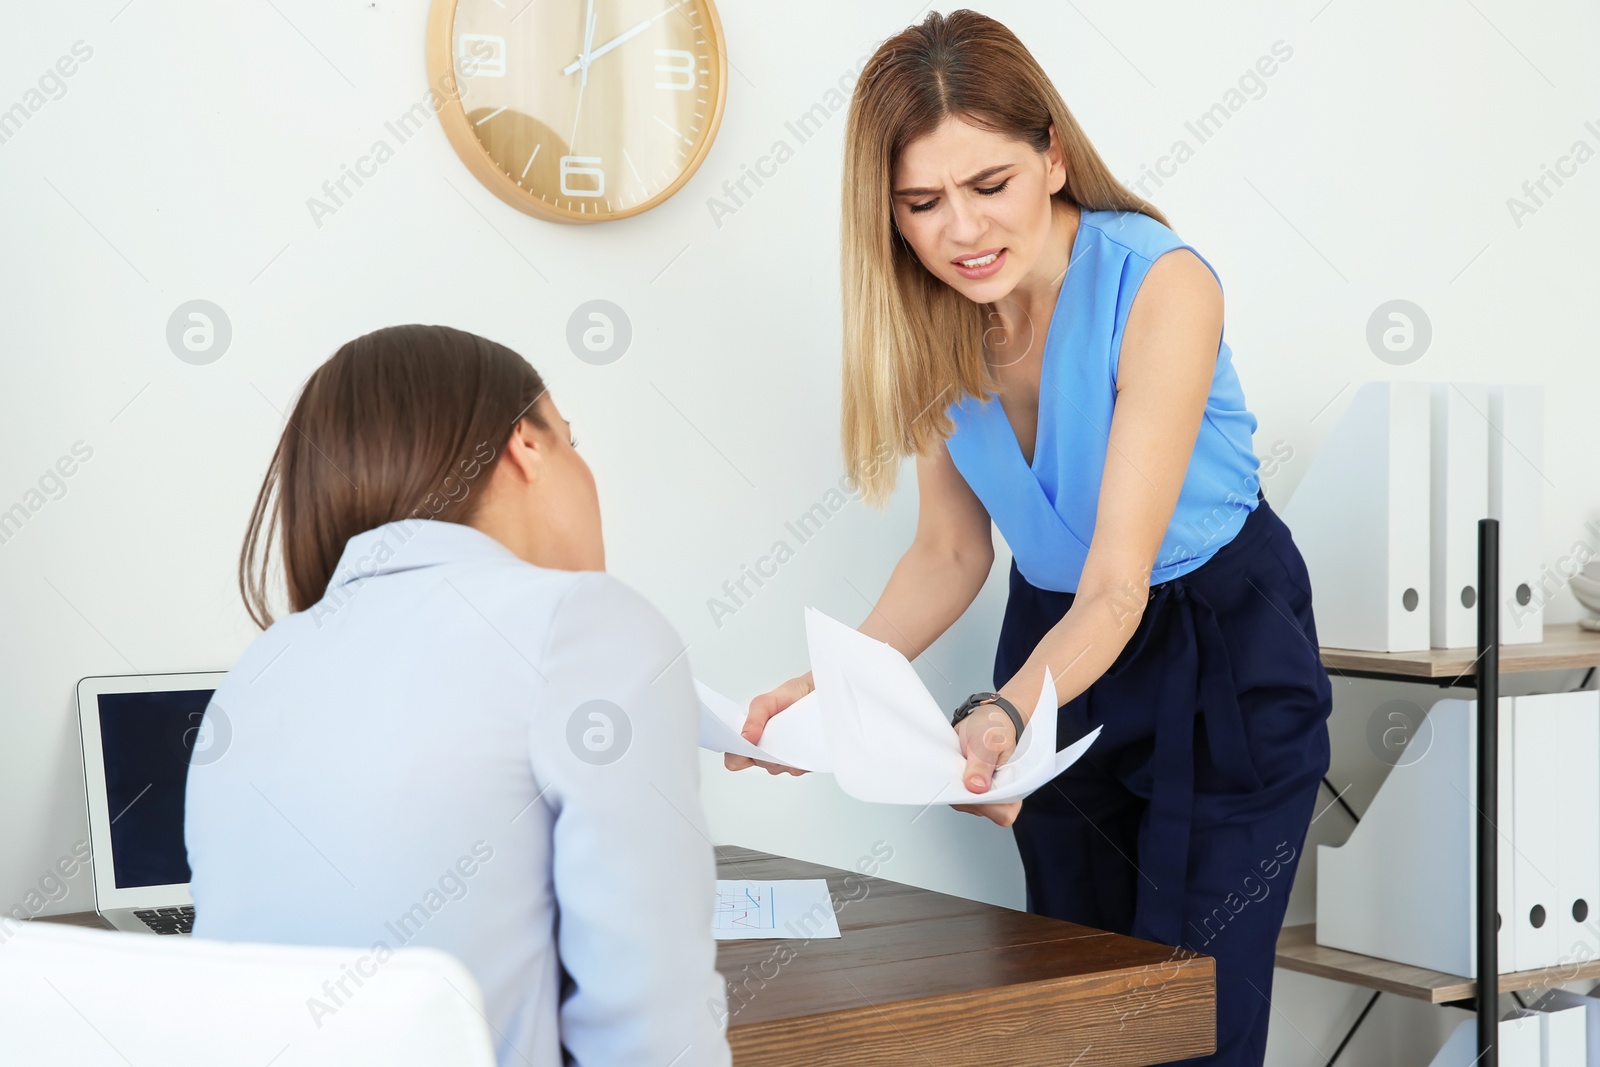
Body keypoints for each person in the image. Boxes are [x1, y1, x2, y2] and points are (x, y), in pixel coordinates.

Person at [727, 11, 1332, 1066]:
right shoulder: (934, 320)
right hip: (1057, 643)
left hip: (1215, 645)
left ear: (1052, 155)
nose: (960, 231)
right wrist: (833, 683)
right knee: (1076, 1007)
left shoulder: (1160, 283)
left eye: (988, 185)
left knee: (1187, 1023)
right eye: (921, 203)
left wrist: (1006, 711)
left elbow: (1117, 582)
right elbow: (950, 554)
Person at [184, 324, 731, 1067]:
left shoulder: (263, 666)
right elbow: (650, 1026)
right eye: (570, 439)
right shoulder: (584, 620)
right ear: (526, 447)